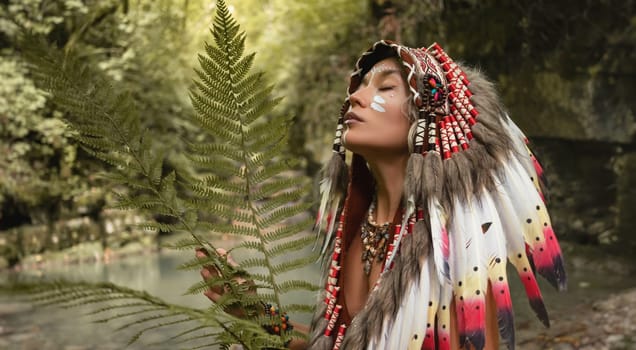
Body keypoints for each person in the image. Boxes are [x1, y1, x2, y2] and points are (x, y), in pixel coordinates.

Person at [198, 40, 567, 350]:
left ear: (431, 114)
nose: (356, 97)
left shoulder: (456, 251)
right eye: (359, 86)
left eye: (385, 87)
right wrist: (254, 314)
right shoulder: (355, 222)